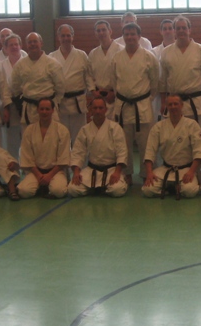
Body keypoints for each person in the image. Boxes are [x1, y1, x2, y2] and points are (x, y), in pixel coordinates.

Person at [110, 22, 160, 184]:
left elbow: (155, 83)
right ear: (123, 37)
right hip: (123, 106)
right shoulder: (117, 58)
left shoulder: (149, 57)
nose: (130, 37)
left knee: (146, 143)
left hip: (142, 105)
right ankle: (127, 173)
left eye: (133, 34)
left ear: (139, 36)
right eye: (127, 34)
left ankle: (147, 173)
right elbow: (114, 82)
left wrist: (146, 99)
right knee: (123, 143)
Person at [158, 15, 201, 128]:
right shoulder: (166, 52)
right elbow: (162, 80)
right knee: (174, 135)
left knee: (197, 135)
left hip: (195, 102)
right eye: (178, 28)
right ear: (174, 31)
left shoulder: (200, 50)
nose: (181, 31)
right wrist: (162, 102)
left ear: (189, 30)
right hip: (173, 103)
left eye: (184, 28)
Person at [142, 94, 201, 199]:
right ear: (166, 106)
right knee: (147, 190)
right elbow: (150, 151)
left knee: (189, 191)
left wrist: (191, 172)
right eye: (170, 104)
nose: (173, 107)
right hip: (166, 169)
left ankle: (171, 187)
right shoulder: (158, 127)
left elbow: (199, 151)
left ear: (182, 105)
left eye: (176, 104)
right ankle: (171, 189)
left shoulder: (192, 125)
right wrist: (149, 173)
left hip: (186, 169)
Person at [69, 97, 128, 198]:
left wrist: (117, 172)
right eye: (95, 108)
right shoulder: (85, 129)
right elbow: (78, 152)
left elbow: (122, 151)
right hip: (92, 170)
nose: (98, 111)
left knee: (117, 190)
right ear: (91, 110)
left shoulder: (115, 128)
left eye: (101, 108)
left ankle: (98, 188)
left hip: (111, 170)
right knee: (72, 189)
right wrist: (76, 172)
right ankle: (99, 188)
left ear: (106, 109)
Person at [17, 98, 71, 199]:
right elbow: (27, 157)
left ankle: (46, 186)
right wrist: (39, 175)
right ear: (37, 110)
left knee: (58, 191)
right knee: (23, 191)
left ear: (52, 110)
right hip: (36, 172)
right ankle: (42, 186)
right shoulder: (29, 130)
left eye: (47, 109)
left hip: (56, 171)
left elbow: (63, 158)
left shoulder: (62, 130)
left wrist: (49, 176)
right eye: (41, 109)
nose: (44, 112)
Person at [10, 32, 65, 128]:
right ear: (26, 45)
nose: (32, 44)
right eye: (30, 42)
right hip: (29, 108)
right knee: (29, 135)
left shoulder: (52, 63)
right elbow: (15, 87)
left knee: (51, 134)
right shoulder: (20, 65)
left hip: (48, 106)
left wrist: (53, 102)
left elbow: (60, 87)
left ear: (41, 43)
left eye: (35, 41)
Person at [50, 24, 92, 143]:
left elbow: (88, 76)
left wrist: (93, 91)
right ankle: (63, 156)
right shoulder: (52, 56)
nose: (66, 38)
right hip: (60, 102)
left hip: (77, 102)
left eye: (68, 35)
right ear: (58, 37)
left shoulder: (81, 55)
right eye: (63, 36)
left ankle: (79, 156)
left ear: (72, 37)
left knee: (79, 137)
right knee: (61, 137)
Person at [0, 33, 25, 157]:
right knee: (11, 140)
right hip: (9, 106)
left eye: (16, 44)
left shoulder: (28, 62)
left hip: (26, 104)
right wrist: (6, 106)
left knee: (28, 138)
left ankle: (28, 166)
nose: (14, 47)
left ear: (20, 46)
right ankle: (13, 165)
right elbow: (1, 87)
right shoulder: (1, 65)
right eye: (11, 45)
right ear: (5, 48)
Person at [88, 20, 123, 105]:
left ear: (110, 31)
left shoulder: (121, 50)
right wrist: (93, 91)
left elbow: (124, 74)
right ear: (96, 34)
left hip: (116, 95)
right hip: (98, 95)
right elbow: (89, 75)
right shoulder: (93, 53)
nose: (101, 33)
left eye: (104, 30)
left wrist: (114, 93)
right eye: (98, 31)